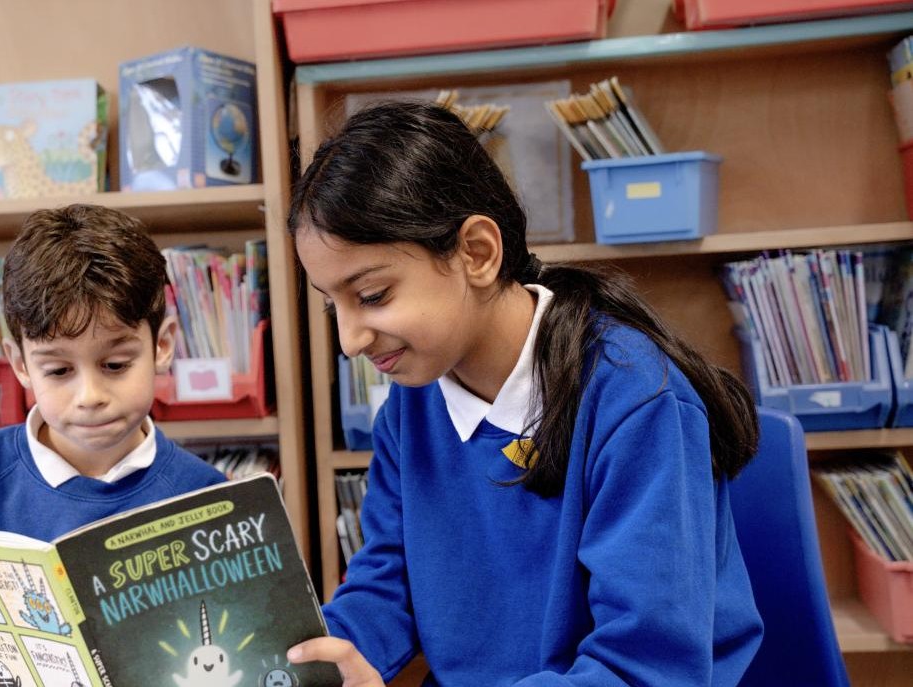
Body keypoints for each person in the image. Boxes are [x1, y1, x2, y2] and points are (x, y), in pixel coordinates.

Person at [285, 101, 764, 686]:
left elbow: (644, 666)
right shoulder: (412, 402)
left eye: (375, 295)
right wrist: (309, 664)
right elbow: (389, 581)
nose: (350, 340)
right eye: (331, 303)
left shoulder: (636, 403)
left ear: (478, 253)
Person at [0, 204, 226, 685]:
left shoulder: (209, 497)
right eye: (58, 371)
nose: (90, 397)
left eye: (115, 365)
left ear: (162, 345)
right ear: (19, 363)